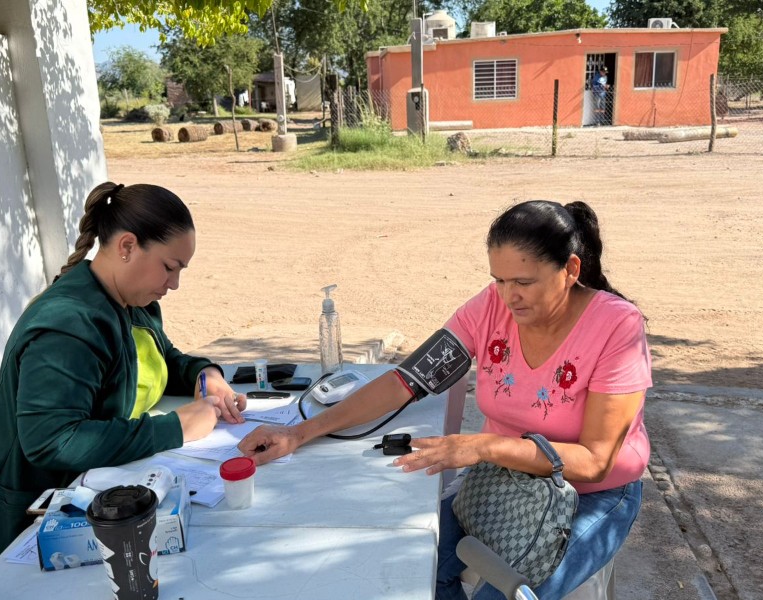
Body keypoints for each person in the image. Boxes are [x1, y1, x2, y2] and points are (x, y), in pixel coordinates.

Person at [238, 200, 651, 600]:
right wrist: (298, 433)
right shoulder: (491, 308)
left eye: (523, 282)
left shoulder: (617, 327)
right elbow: (405, 380)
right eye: (499, 280)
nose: (509, 297)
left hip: (590, 495)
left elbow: (595, 462)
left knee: (503, 594)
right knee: (413, 569)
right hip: (503, 482)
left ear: (570, 270)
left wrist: (483, 446)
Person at [0, 182, 247, 559]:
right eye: (169, 267)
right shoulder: (69, 324)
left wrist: (206, 374)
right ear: (127, 246)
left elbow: (162, 359)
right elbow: (51, 439)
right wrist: (174, 428)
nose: (174, 284)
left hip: (102, 496)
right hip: (33, 530)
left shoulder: (131, 302)